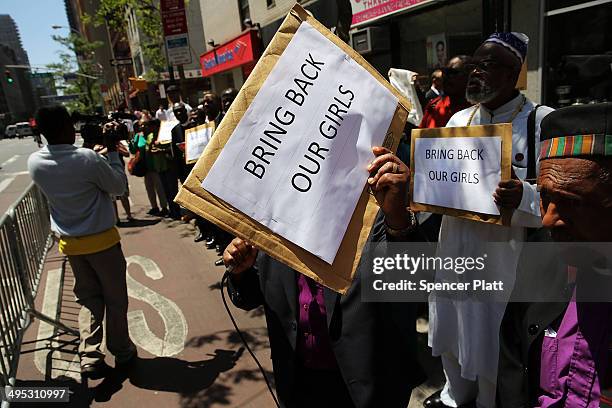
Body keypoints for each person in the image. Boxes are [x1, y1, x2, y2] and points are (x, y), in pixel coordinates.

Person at [223, 146, 425, 407]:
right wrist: (240, 271)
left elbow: (410, 287)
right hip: (298, 383)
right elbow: (250, 296)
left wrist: (398, 220)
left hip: (367, 388)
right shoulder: (269, 221)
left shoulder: (376, 208)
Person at [424, 32, 554, 408]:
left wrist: (525, 196)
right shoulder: (458, 120)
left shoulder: (540, 123)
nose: (474, 74)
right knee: (453, 328)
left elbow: (559, 197)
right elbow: (436, 184)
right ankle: (454, 396)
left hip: (505, 260)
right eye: (472, 66)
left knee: (493, 341)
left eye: (487, 65)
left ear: (514, 72)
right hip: (455, 252)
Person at [498, 103, 612, 407]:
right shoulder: (541, 253)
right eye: (545, 199)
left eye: (571, 203)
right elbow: (511, 358)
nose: (548, 221)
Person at [27, 105, 137, 379]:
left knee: (88, 299)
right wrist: (112, 152)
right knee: (115, 299)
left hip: (71, 245)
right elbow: (118, 187)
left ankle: (90, 354)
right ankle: (122, 350)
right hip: (102, 242)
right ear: (67, 127)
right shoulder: (87, 158)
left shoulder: (35, 163)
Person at [420, 56, 472, 129]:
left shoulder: (481, 111)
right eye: (444, 72)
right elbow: (419, 137)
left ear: (469, 76)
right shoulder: (433, 107)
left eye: (453, 72)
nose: (446, 77)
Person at [130, 120, 168, 216]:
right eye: (141, 125)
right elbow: (133, 150)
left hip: (154, 166)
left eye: (145, 125)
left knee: (159, 188)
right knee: (149, 188)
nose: (143, 127)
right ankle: (154, 207)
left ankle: (164, 207)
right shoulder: (138, 136)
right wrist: (132, 142)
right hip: (144, 167)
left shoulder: (152, 135)